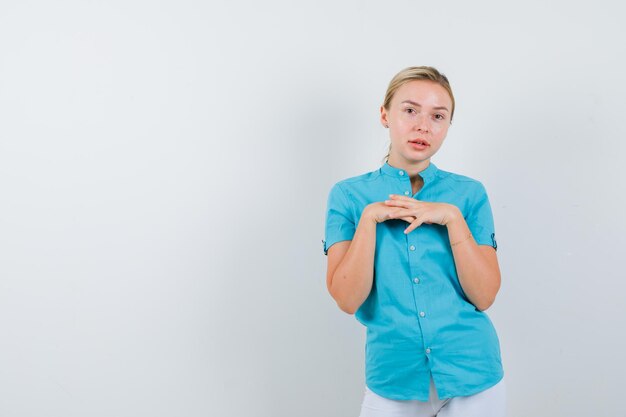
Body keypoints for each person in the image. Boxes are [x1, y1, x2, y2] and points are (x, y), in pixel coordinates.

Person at [323, 66, 506, 417]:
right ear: (384, 115)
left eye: (438, 116)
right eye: (410, 110)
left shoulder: (469, 195)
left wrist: (452, 219)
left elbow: (484, 296)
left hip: (474, 375)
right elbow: (347, 299)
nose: (424, 125)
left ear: (448, 126)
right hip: (394, 378)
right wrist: (369, 220)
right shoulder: (348, 196)